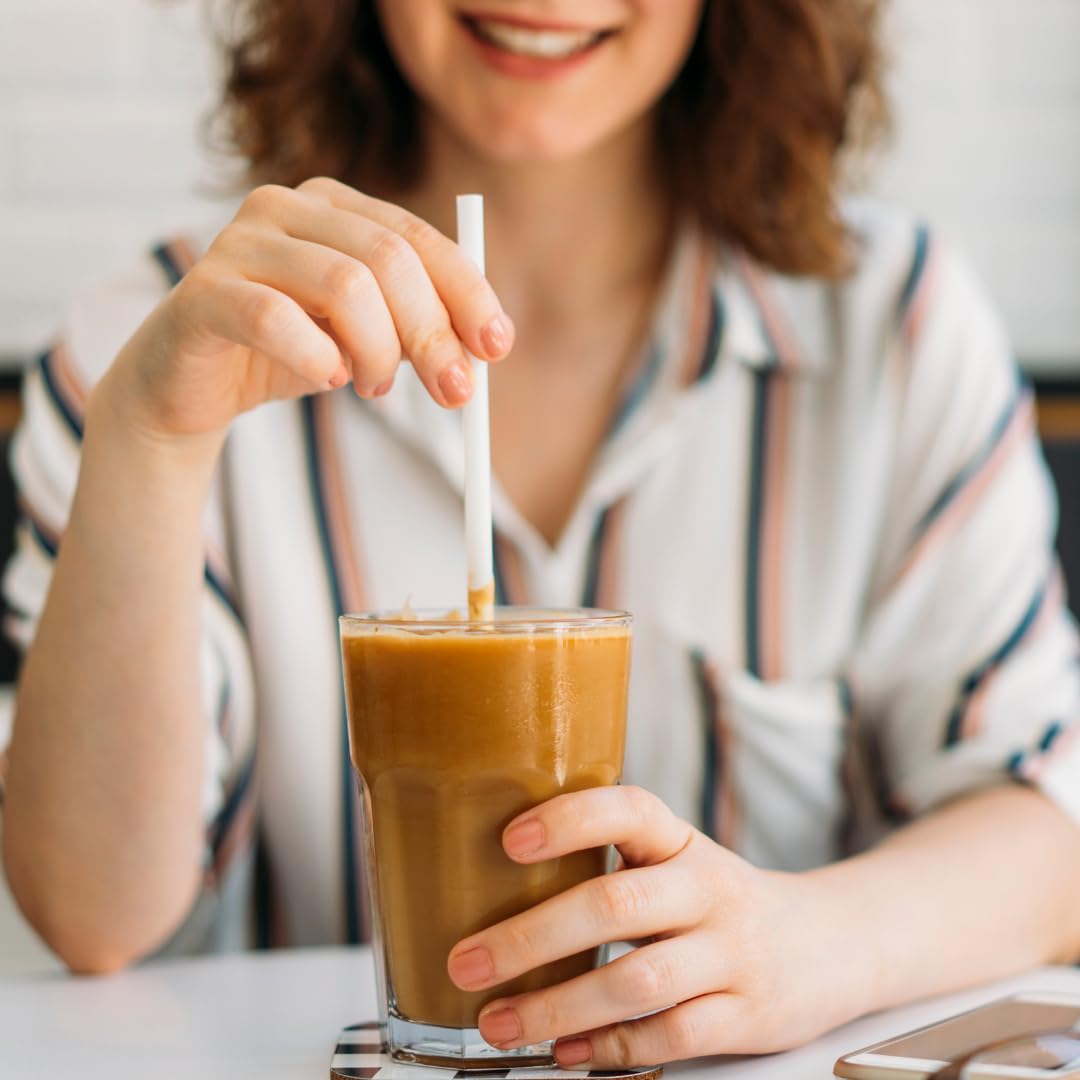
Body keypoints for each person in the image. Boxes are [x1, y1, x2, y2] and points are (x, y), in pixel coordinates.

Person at [3, 0, 1080, 1066]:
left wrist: (822, 942)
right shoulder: (153, 351)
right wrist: (153, 438)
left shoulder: (895, 327)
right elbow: (92, 916)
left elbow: (1052, 829)